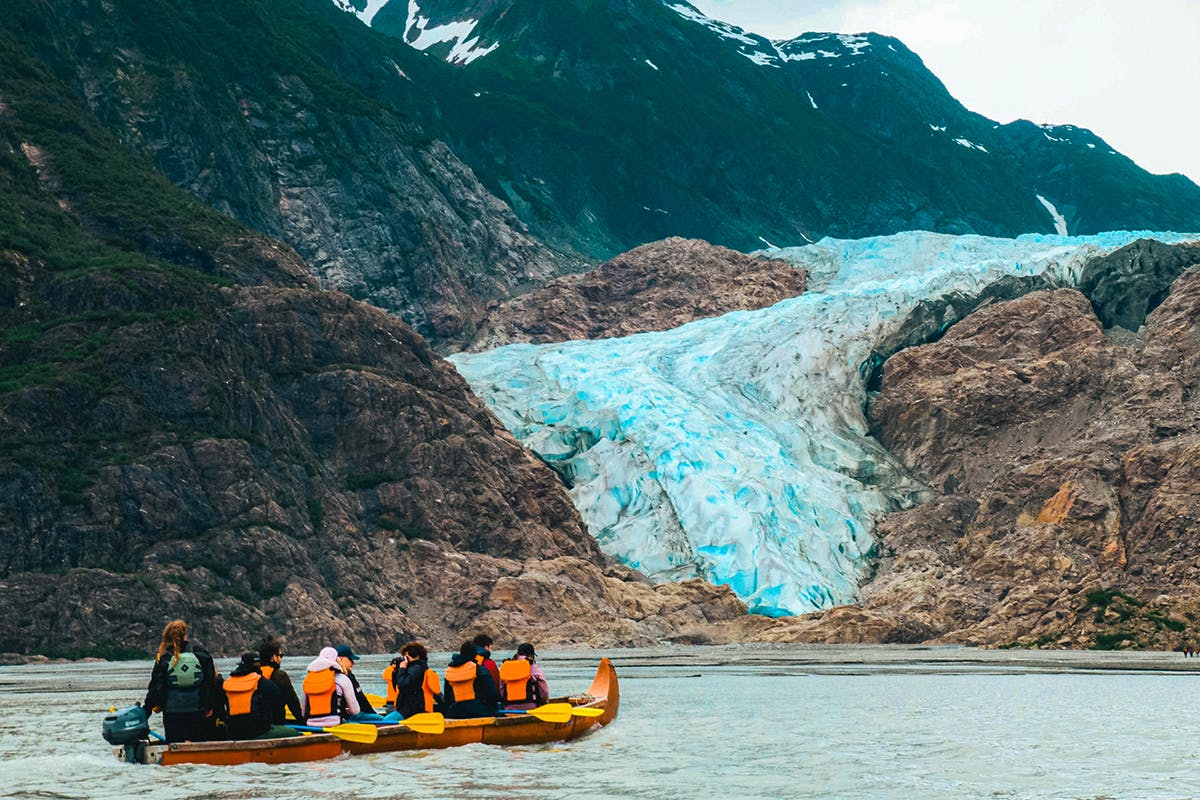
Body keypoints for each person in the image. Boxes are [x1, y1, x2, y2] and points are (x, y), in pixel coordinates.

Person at [142, 619, 218, 743]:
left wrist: (147, 711)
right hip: (197, 710)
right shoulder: (200, 653)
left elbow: (155, 688)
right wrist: (208, 706)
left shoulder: (164, 658)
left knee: (175, 745)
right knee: (197, 747)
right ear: (185, 635)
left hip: (172, 712)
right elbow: (210, 682)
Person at [221, 652, 300, 740]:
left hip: (233, 733)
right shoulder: (265, 684)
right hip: (258, 732)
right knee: (293, 732)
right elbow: (278, 712)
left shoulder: (226, 684)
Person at [301, 646, 360, 727]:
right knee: (355, 723)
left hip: (311, 724)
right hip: (335, 723)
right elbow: (355, 711)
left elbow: (303, 712)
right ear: (336, 660)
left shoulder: (307, 680)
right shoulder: (342, 678)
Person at [442, 640, 499, 719]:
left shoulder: (449, 671)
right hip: (478, 711)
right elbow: (492, 693)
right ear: (475, 655)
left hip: (455, 712)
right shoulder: (479, 670)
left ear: (461, 652)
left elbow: (447, 698)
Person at [258, 635, 303, 724]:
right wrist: (301, 720)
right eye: (280, 655)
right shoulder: (280, 676)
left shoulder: (252, 674)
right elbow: (292, 702)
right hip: (274, 724)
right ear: (274, 657)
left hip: (255, 723)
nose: (281, 659)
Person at [389, 642, 442, 719]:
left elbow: (403, 684)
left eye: (407, 657)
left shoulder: (417, 668)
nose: (405, 660)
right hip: (409, 709)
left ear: (416, 656)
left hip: (412, 711)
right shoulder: (418, 668)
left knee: (387, 719)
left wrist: (402, 668)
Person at [335, 644, 384, 721]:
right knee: (382, 719)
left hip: (337, 717)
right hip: (351, 717)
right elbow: (361, 698)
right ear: (340, 659)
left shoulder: (328, 674)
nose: (353, 663)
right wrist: (373, 713)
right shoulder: (347, 676)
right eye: (350, 659)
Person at [499, 643, 550, 711]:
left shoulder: (506, 668)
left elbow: (501, 690)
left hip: (509, 710)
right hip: (531, 709)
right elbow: (544, 692)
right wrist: (544, 703)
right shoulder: (535, 669)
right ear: (532, 655)